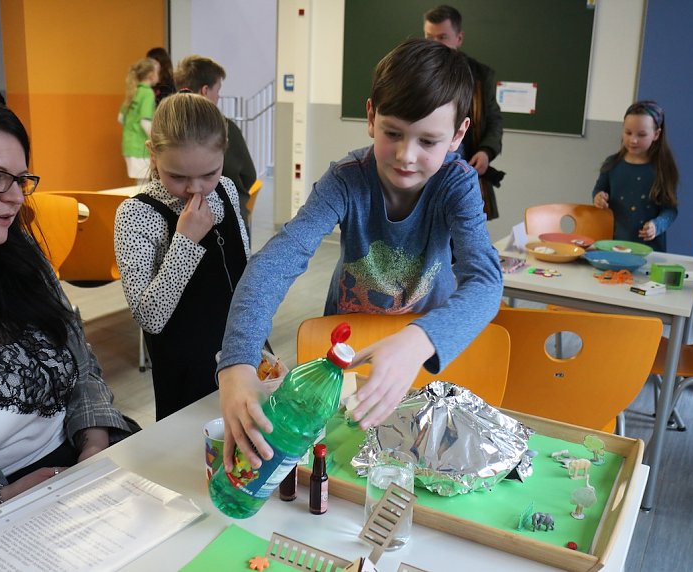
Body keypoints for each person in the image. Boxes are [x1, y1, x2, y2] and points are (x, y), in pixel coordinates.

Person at [216, 38, 503, 470]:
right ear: (371, 117)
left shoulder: (457, 184)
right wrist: (237, 361)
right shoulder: (346, 180)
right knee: (339, 467)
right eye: (393, 133)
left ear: (459, 134)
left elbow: (485, 281)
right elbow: (279, 259)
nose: (407, 155)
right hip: (346, 354)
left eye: (429, 141)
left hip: (418, 352)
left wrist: (417, 341)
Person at [0, 94, 134, 541]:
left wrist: (94, 439)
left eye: (20, 179)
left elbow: (82, 362)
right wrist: (0, 498)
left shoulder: (20, 257)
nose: (15, 197)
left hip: (82, 470)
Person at [114, 93, 250, 420]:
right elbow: (150, 317)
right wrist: (186, 240)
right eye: (177, 176)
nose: (196, 189)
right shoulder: (136, 215)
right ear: (153, 154)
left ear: (223, 151)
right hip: (185, 372)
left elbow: (242, 272)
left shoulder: (228, 190)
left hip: (240, 355)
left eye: (209, 173)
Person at [424, 5, 504, 220]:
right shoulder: (414, 71)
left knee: (465, 229)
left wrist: (486, 151)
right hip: (424, 171)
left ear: (459, 38)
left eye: (442, 37)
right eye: (429, 37)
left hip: (464, 168)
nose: (434, 44)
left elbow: (495, 120)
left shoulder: (480, 75)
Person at [174, 55, 258, 227]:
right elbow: (249, 175)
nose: (219, 96)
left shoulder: (167, 129)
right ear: (205, 90)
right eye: (217, 90)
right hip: (228, 218)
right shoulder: (225, 128)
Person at [592, 100, 679, 252]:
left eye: (642, 134)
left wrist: (656, 225)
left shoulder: (663, 169)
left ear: (656, 134)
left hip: (648, 251)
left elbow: (670, 210)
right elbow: (599, 190)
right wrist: (598, 197)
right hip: (612, 246)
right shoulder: (612, 163)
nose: (633, 140)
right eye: (628, 132)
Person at [118, 58, 159, 182]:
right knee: (143, 186)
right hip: (140, 148)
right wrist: (158, 140)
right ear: (151, 75)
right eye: (158, 72)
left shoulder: (133, 92)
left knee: (140, 184)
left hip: (128, 146)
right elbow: (145, 122)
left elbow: (120, 118)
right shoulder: (147, 93)